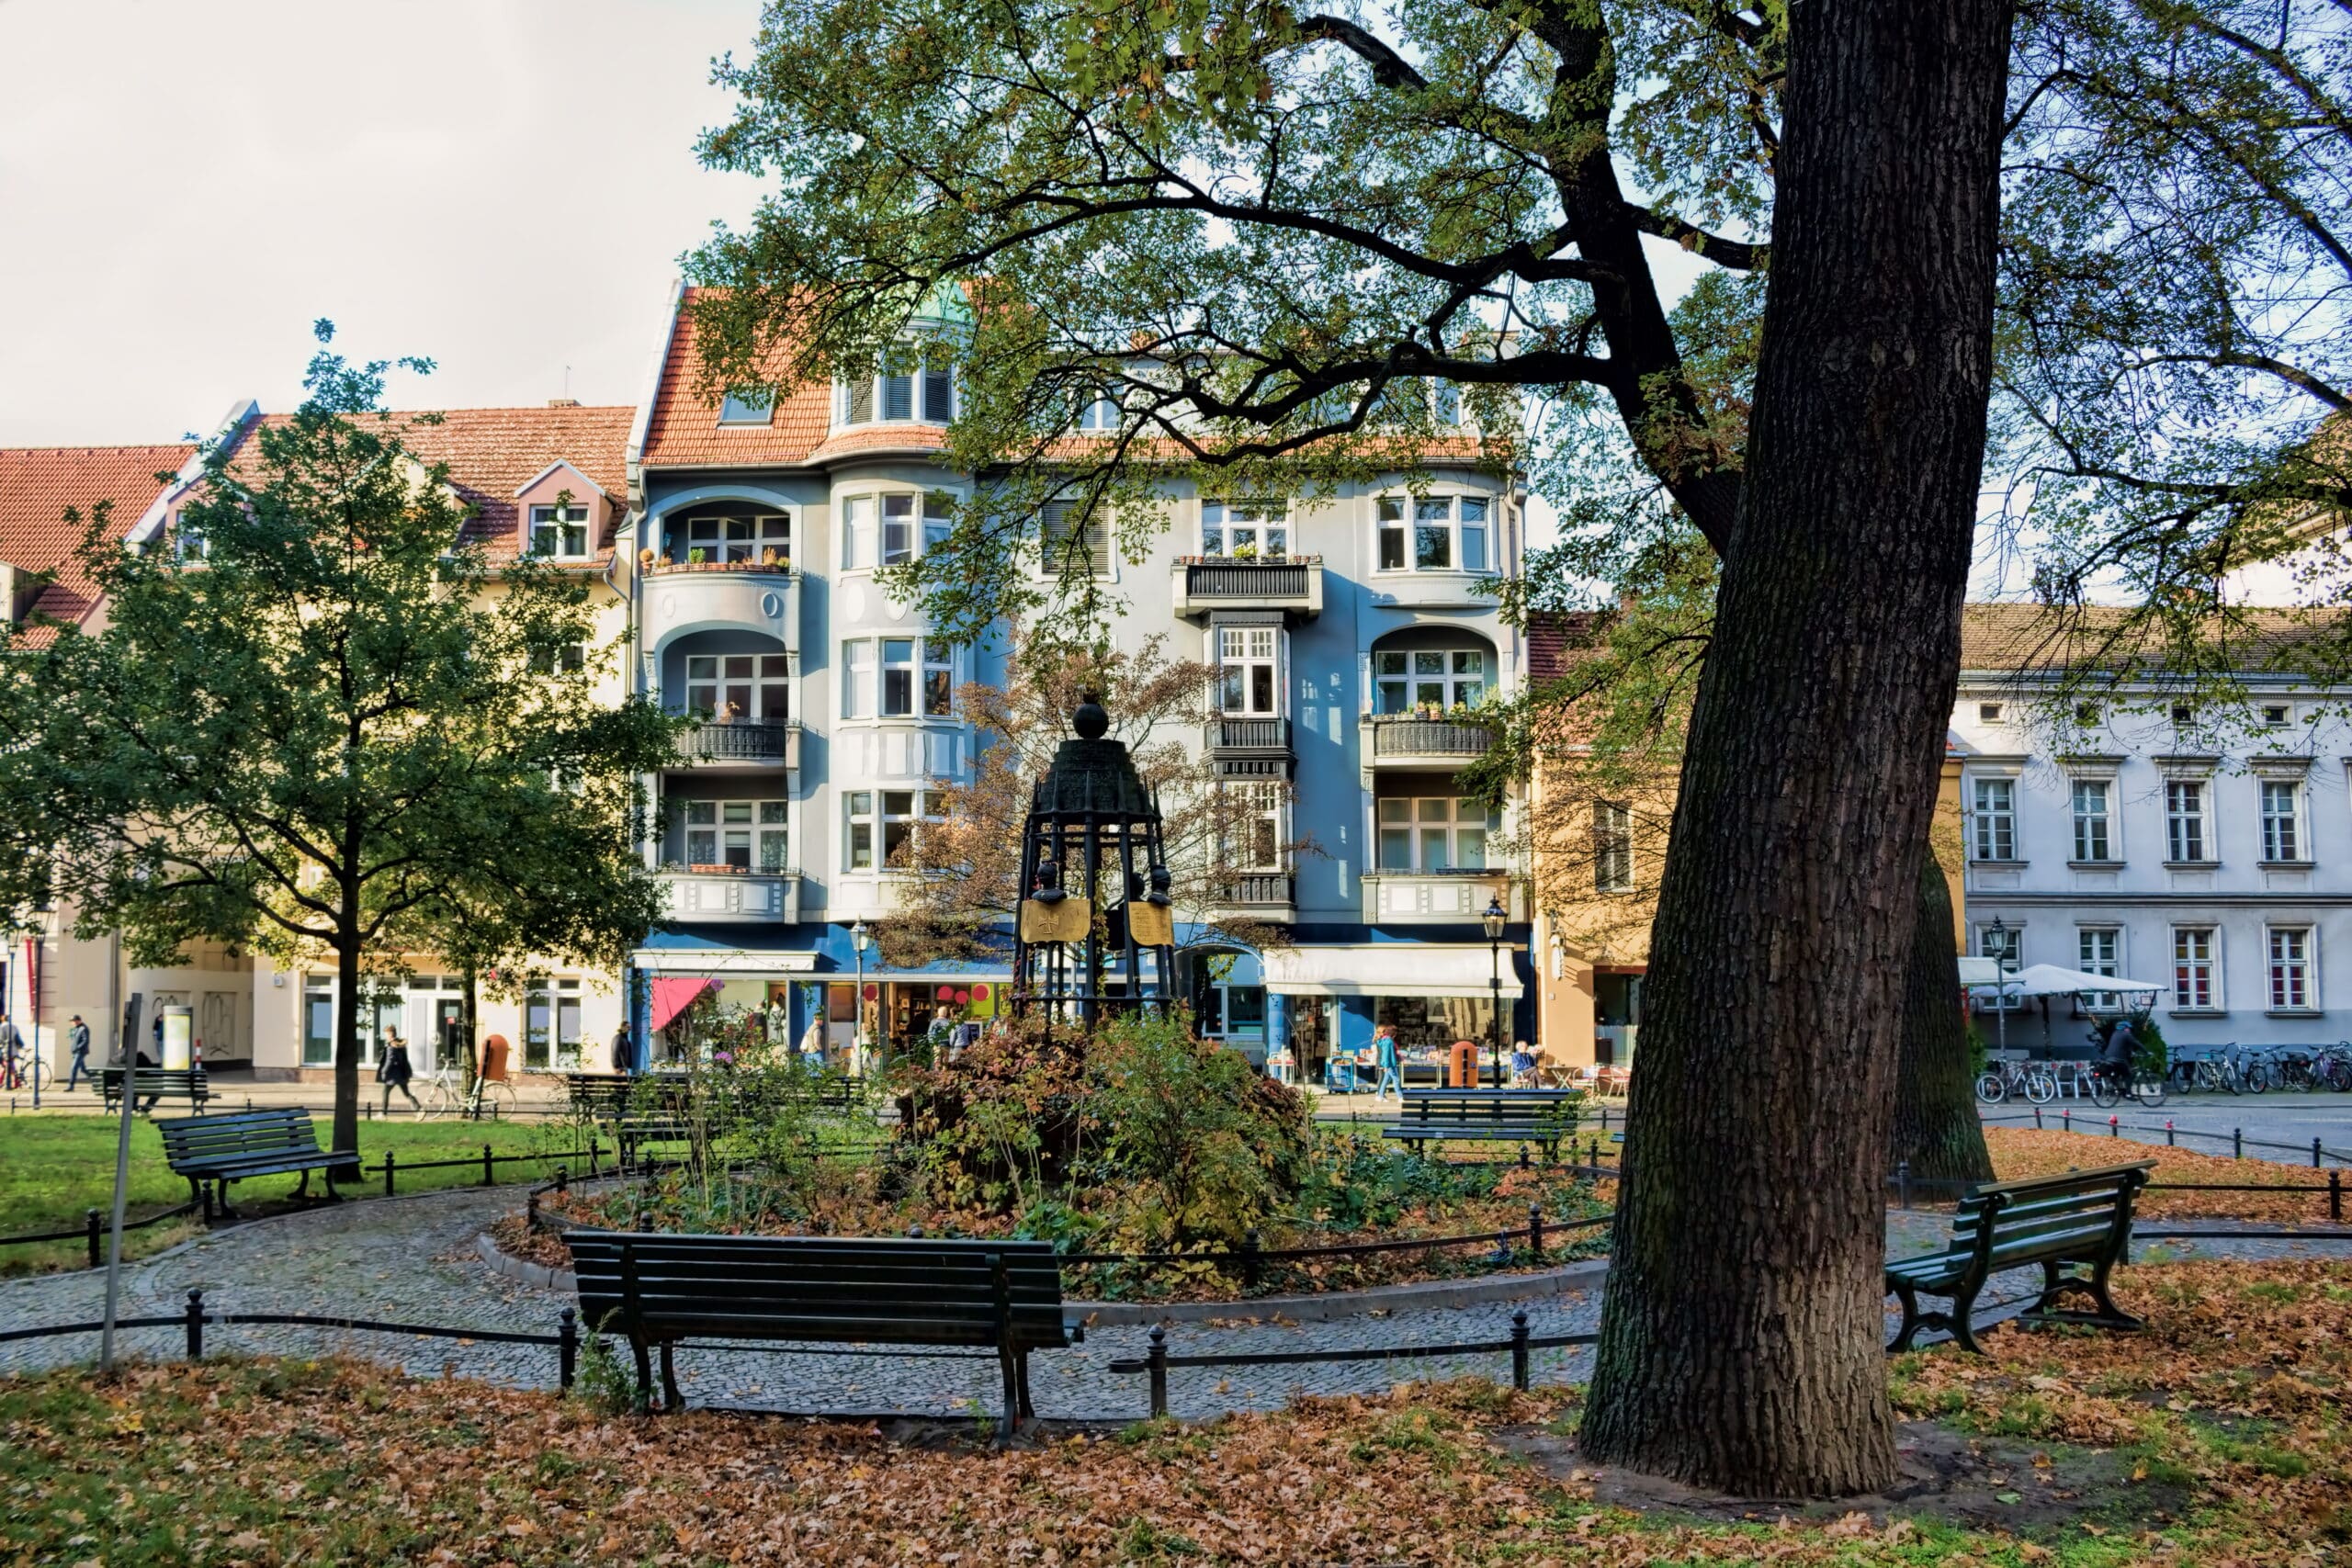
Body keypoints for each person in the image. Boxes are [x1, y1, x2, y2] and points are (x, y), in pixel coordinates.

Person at [379, 1031, 420, 1115]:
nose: (386, 1036)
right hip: (402, 1073)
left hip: (393, 1075)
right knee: (406, 1093)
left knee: (385, 1092)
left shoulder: (391, 1046)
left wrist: (384, 1071)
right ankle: (419, 1109)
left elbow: (390, 1060)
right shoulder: (400, 1045)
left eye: (386, 1034)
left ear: (390, 1034)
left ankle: (383, 1113)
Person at [1373, 1023, 1403, 1100]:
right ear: (1394, 1034)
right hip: (1390, 1064)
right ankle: (1400, 1097)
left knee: (1386, 1079)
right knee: (1396, 1079)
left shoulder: (1385, 1040)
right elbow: (1385, 1055)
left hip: (1388, 1063)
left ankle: (1380, 1095)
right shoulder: (1388, 1042)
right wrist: (1386, 1066)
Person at [65, 1013, 92, 1091]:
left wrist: (77, 1047)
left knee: (73, 1068)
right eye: (71, 1021)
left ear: (78, 1021)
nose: (72, 1023)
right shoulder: (76, 1028)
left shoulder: (84, 1028)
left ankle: (71, 1086)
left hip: (80, 1052)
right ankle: (96, 1080)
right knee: (83, 1069)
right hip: (76, 1052)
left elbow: (85, 1040)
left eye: (73, 1021)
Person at [0, 1013, 21, 1091]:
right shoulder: (15, 1026)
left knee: (8, 1065)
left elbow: (1, 1039)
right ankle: (15, 1082)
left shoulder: (2, 1027)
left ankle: (15, 1082)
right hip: (14, 1050)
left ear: (3, 1019)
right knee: (7, 1066)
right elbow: (18, 1038)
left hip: (5, 1050)